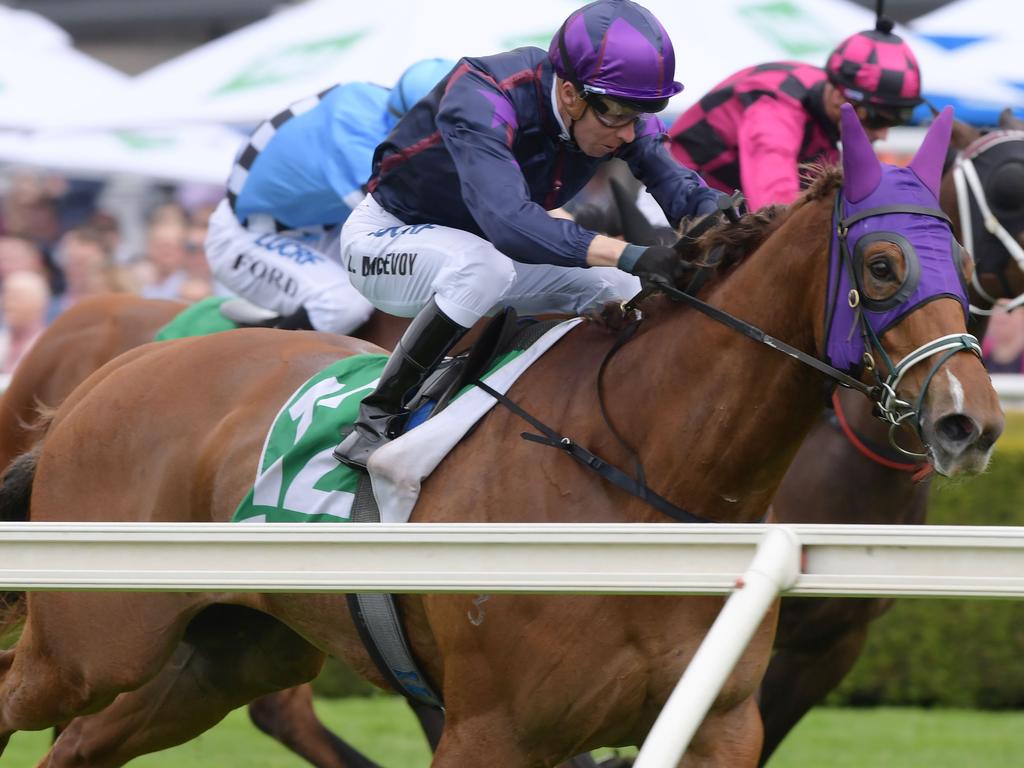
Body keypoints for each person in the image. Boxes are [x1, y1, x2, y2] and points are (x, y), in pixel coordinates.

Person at [334, 0, 727, 469]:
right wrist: (630, 252)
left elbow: (676, 185)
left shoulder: (612, 110)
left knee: (622, 287)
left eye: (640, 117)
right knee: (486, 267)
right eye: (618, 116)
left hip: (483, 251)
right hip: (386, 239)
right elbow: (511, 225)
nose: (627, 134)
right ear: (569, 94)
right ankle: (376, 419)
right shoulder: (483, 95)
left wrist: (726, 224)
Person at [204, 58, 456, 334]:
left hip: (325, 226)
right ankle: (274, 344)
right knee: (343, 307)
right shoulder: (355, 133)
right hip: (249, 235)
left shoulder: (391, 111)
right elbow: (401, 216)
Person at [667, 18, 922, 211]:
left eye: (897, 120)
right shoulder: (775, 108)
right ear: (838, 97)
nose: (884, 134)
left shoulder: (827, 103)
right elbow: (774, 207)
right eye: (878, 119)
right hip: (669, 199)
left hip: (726, 204)